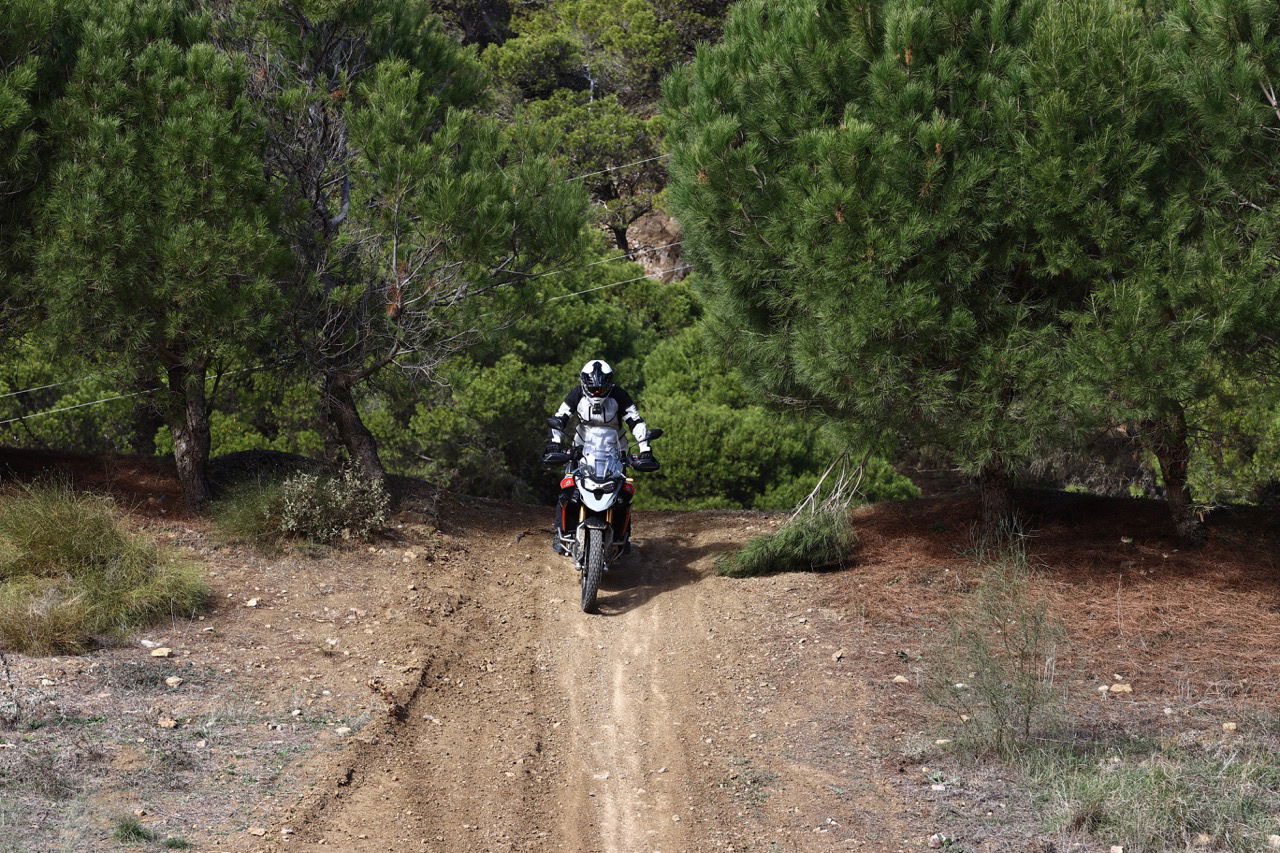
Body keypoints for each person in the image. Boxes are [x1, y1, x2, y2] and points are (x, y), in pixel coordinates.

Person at [543, 359, 659, 554]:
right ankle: (560, 531)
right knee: (568, 487)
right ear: (584, 383)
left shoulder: (619, 395)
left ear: (609, 384)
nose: (597, 392)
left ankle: (623, 535)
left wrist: (645, 449)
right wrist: (555, 441)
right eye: (593, 389)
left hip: (615, 448)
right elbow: (560, 417)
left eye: (601, 388)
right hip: (581, 447)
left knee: (623, 492)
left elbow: (636, 421)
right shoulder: (577, 393)